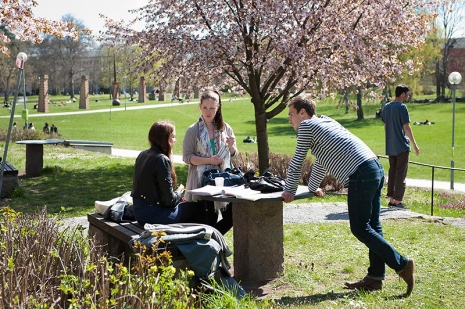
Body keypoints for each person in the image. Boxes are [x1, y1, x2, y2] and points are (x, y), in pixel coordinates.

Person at [281, 96, 415, 296]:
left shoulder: (307, 126)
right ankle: (375, 278)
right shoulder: (326, 121)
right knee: (373, 226)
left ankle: (402, 264)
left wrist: (289, 190)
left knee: (360, 228)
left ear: (303, 112)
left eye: (291, 114)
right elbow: (321, 160)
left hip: (360, 174)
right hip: (375, 167)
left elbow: (298, 160)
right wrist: (312, 187)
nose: (290, 120)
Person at [131, 120, 209, 226]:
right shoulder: (161, 160)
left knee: (192, 209)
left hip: (140, 213)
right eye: (172, 137)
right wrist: (179, 191)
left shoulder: (143, 154)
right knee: (201, 208)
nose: (175, 140)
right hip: (153, 216)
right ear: (163, 138)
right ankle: (201, 239)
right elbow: (169, 201)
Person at [183, 90, 237, 235]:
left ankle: (211, 239)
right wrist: (209, 160)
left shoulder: (226, 128)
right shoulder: (193, 130)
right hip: (202, 182)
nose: (208, 112)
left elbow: (233, 154)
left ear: (218, 107)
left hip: (224, 182)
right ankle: (209, 246)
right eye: (205, 107)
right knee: (208, 221)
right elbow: (187, 157)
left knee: (231, 218)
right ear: (200, 107)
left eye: (212, 108)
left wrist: (231, 145)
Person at [382, 85, 420, 209]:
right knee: (401, 174)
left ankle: (391, 199)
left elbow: (386, 126)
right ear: (402, 94)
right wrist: (415, 144)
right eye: (408, 94)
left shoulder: (387, 107)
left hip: (390, 146)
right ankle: (397, 201)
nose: (408, 97)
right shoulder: (402, 107)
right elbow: (406, 127)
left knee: (392, 172)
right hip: (402, 146)